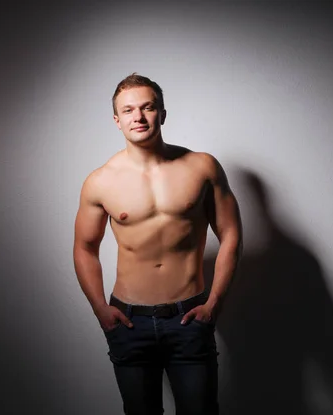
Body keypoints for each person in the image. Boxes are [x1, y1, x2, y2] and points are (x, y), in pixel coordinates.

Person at [73, 73, 243, 415]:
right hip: (128, 322)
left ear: (162, 113)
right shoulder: (100, 182)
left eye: (148, 107)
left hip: (189, 318)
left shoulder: (201, 167)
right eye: (129, 110)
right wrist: (100, 310)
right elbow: (84, 248)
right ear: (116, 120)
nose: (138, 116)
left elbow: (231, 234)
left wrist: (214, 304)